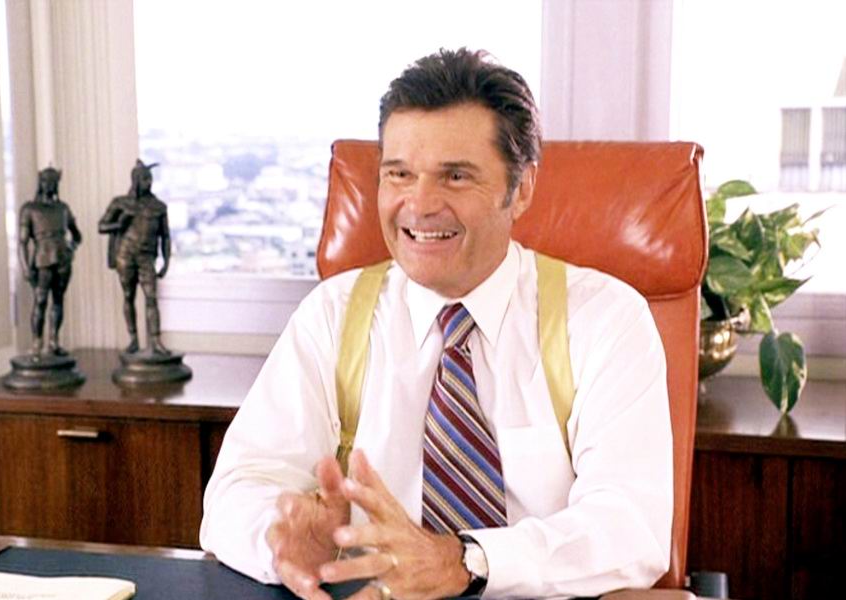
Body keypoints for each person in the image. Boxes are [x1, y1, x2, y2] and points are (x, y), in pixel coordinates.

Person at [201, 49, 673, 599]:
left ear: (521, 188)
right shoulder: (333, 314)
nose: (420, 204)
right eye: (399, 174)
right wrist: (279, 540)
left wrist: (464, 561)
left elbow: (630, 526)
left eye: (456, 176)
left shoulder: (603, 318)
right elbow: (236, 492)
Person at [98, 159, 171, 355]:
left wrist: (166, 261)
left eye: (150, 179)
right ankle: (133, 340)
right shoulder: (121, 203)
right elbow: (102, 226)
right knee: (128, 296)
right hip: (126, 255)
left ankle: (155, 341)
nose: (149, 183)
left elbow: (165, 236)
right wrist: (119, 225)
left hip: (147, 257)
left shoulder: (158, 207)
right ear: (136, 180)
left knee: (151, 297)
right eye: (145, 179)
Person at [18, 167, 82, 357]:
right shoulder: (29, 209)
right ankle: (37, 343)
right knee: (40, 301)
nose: (49, 185)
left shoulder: (63, 209)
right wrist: (25, 267)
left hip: (63, 260)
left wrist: (71, 248)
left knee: (58, 300)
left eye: (53, 181)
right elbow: (22, 242)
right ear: (40, 183)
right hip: (42, 260)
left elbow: (77, 235)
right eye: (46, 181)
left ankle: (54, 341)